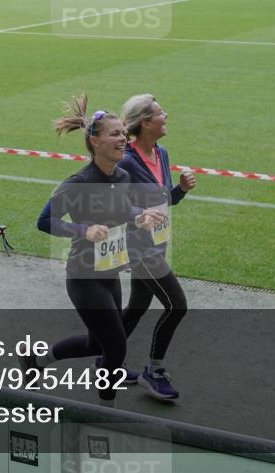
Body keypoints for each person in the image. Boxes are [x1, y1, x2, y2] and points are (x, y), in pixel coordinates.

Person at [26, 95, 165, 407]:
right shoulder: (78, 182)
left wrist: (139, 216)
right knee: (115, 347)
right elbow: (44, 220)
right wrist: (82, 230)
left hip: (110, 271)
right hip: (83, 275)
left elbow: (122, 208)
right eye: (115, 134)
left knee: (95, 342)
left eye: (123, 134)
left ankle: (36, 361)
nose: (123, 139)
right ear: (95, 141)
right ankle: (106, 410)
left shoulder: (122, 176)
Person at [117, 94, 195, 402]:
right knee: (177, 306)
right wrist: (139, 217)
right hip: (139, 249)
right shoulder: (125, 161)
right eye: (161, 113)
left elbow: (164, 200)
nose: (167, 116)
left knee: (138, 304)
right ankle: (155, 370)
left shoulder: (161, 153)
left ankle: (106, 360)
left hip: (159, 244)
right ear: (146, 123)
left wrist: (181, 190)